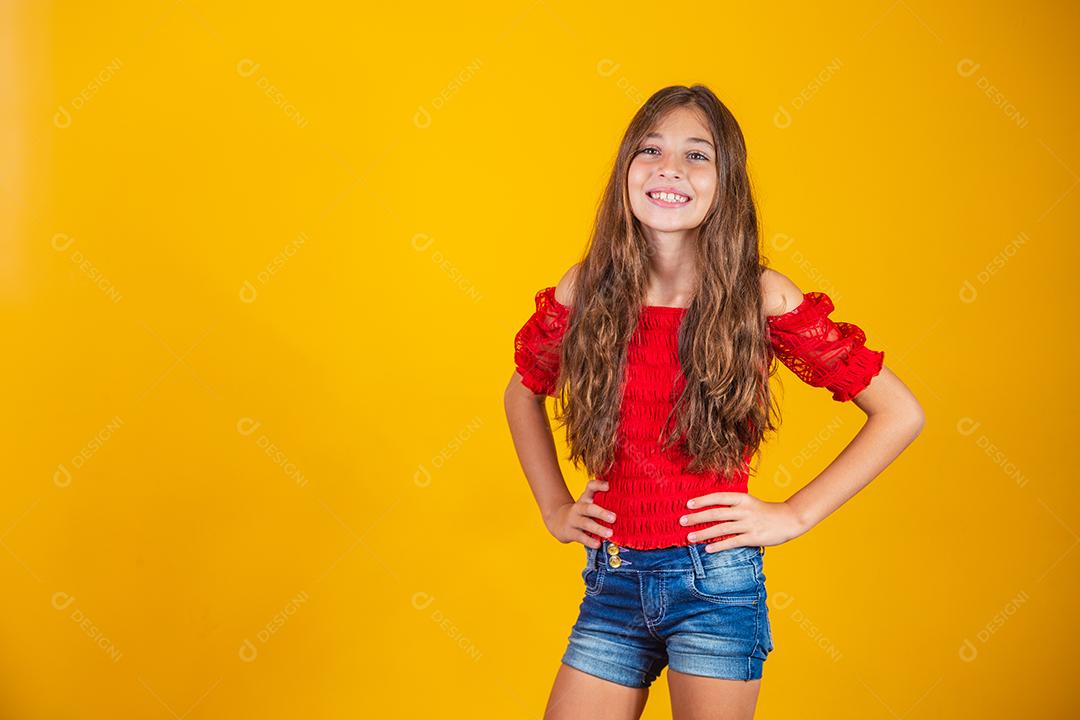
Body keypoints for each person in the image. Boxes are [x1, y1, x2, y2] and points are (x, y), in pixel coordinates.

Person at [503, 84, 924, 720]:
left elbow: (900, 413)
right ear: (625, 171)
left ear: (725, 184)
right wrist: (556, 509)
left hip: (715, 584)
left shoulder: (760, 296)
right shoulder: (586, 287)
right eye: (651, 149)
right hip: (614, 580)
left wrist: (795, 514)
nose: (670, 168)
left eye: (697, 155)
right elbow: (521, 394)